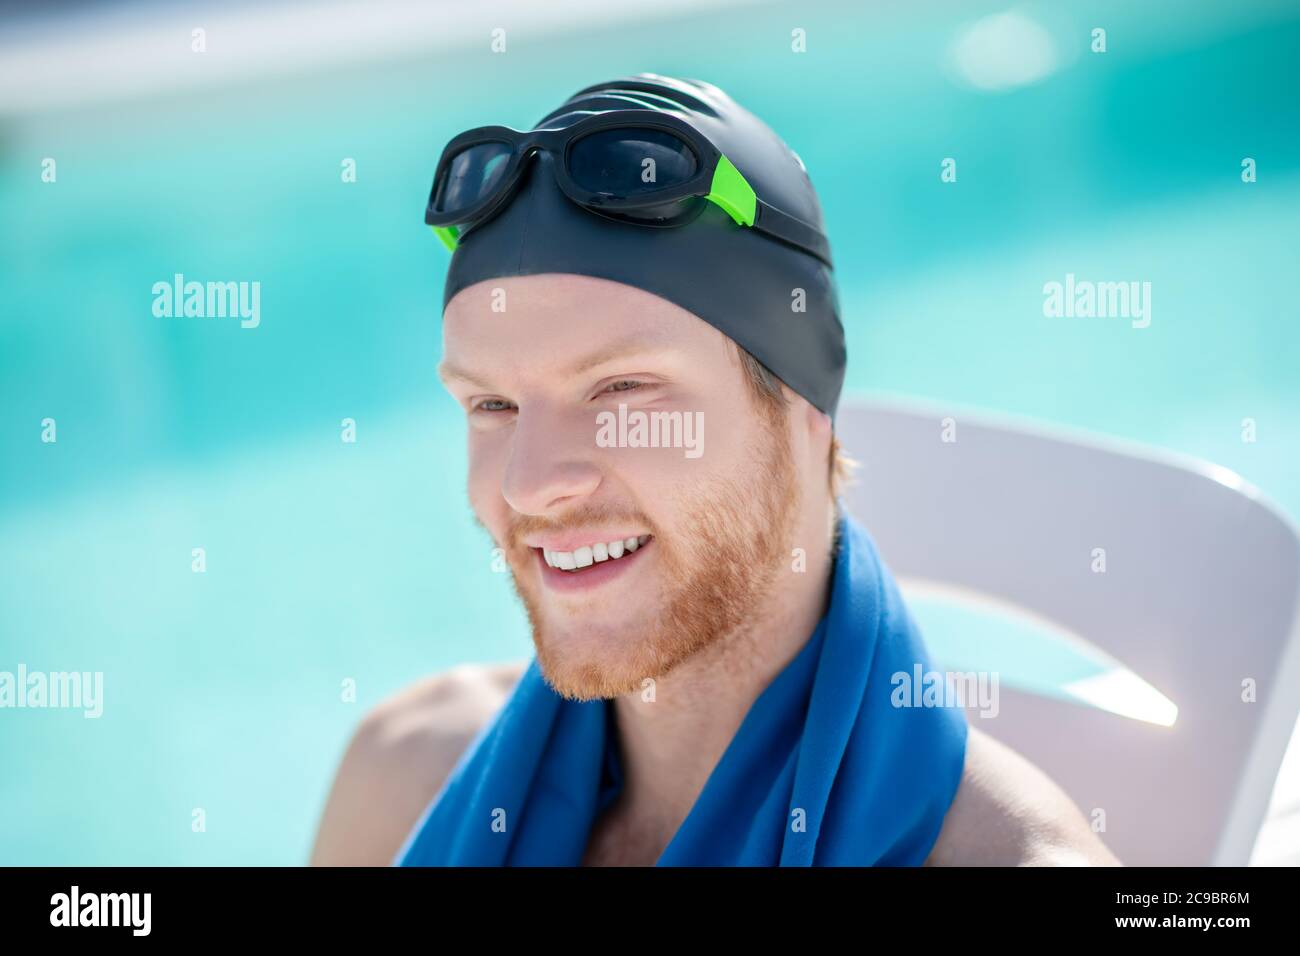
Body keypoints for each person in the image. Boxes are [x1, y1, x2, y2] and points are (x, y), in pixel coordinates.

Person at [311, 74, 1120, 867]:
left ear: (802, 404)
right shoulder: (402, 774)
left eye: (621, 390)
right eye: (492, 406)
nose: (529, 485)